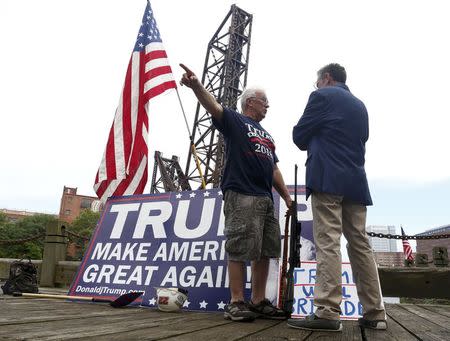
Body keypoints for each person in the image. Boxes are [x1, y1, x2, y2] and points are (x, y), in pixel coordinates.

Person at [180, 63, 292, 322]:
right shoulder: (235, 120)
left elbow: (274, 168)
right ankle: (236, 301)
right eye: (265, 102)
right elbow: (213, 106)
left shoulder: (267, 135)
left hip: (265, 197)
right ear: (251, 102)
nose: (268, 106)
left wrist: (285, 196)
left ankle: (259, 301)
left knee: (266, 250)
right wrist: (196, 85)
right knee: (240, 245)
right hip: (240, 192)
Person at [287, 63, 387, 332]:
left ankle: (328, 311)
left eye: (316, 82)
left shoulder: (321, 96)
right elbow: (362, 138)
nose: (316, 86)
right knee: (360, 244)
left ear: (326, 78)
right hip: (355, 181)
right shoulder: (360, 105)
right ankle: (375, 312)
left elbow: (298, 136)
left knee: (328, 241)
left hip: (327, 178)